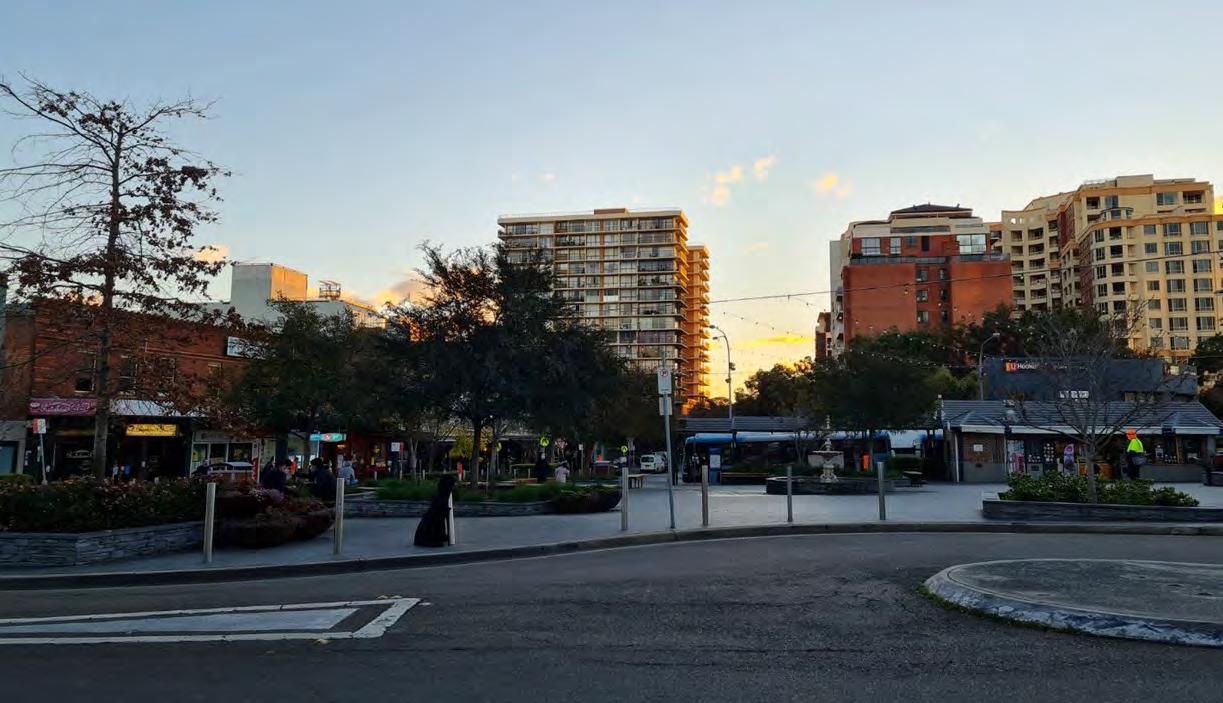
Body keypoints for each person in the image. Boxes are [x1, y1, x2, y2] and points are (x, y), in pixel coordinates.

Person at [414, 474, 456, 548]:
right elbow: (436, 518)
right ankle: (434, 538)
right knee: (437, 518)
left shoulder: (441, 497)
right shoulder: (441, 499)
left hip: (426, 530)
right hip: (427, 533)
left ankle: (437, 537)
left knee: (438, 519)